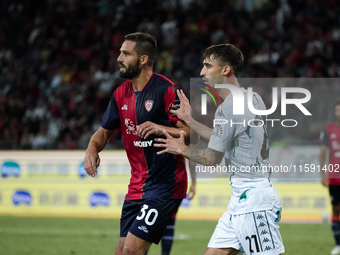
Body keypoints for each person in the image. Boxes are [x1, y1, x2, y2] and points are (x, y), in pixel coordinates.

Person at [154, 44, 285, 255]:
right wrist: (190, 121)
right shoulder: (253, 98)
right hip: (242, 200)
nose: (201, 72)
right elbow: (224, 138)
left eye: (207, 66)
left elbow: (211, 157)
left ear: (225, 70)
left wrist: (180, 148)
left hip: (253, 204)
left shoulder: (229, 107)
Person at [84, 32, 191, 255]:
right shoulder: (120, 94)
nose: (118, 58)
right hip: (136, 187)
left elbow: (191, 133)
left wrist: (161, 128)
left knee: (132, 250)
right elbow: (102, 134)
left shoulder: (167, 89)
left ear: (143, 59)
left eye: (126, 53)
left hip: (165, 185)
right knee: (122, 251)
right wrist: (91, 149)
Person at [320, 99, 340, 255]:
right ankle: (338, 244)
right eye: (337, 110)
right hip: (334, 176)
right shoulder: (328, 129)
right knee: (336, 209)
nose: (339, 113)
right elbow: (323, 153)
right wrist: (323, 175)